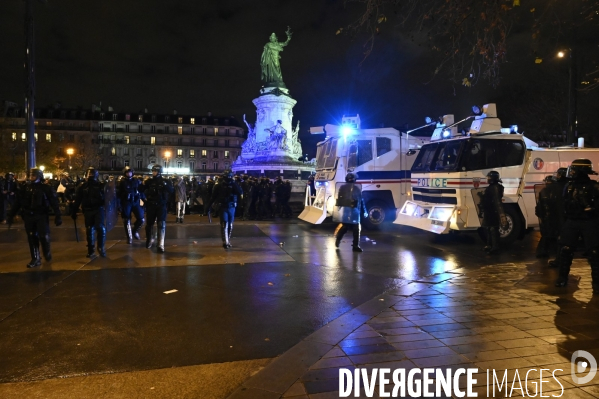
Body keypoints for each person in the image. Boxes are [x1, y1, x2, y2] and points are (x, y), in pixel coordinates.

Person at [553, 159, 599, 292]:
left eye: (574, 170)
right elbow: (563, 204)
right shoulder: (568, 186)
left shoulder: (594, 187)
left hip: (588, 221)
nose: (571, 172)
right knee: (565, 249)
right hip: (572, 221)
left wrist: (593, 210)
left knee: (595, 252)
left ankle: (596, 283)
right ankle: (562, 278)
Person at [7, 167, 62, 268]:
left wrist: (58, 215)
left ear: (39, 176)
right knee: (32, 237)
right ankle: (35, 258)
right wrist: (11, 214)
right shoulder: (24, 188)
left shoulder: (46, 188)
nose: (31, 177)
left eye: (34, 175)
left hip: (41, 215)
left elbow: (54, 202)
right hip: (28, 215)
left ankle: (46, 252)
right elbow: (18, 203)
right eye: (30, 175)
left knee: (43, 236)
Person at [71, 167, 107, 258]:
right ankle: (91, 249)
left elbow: (108, 198)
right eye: (89, 174)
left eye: (92, 173)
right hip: (88, 209)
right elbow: (78, 199)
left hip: (98, 208)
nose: (90, 175)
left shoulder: (101, 185)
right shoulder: (82, 186)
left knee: (101, 227)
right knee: (89, 229)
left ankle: (101, 247)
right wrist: (74, 211)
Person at [142, 164, 174, 253]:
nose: (153, 172)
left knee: (161, 224)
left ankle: (160, 244)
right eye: (153, 171)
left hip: (161, 205)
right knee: (149, 225)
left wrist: (164, 184)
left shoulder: (166, 181)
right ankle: (149, 240)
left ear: (159, 172)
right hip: (151, 204)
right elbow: (140, 190)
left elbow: (171, 191)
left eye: (155, 171)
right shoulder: (149, 181)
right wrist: (144, 199)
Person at [208, 169, 242, 249]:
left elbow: (240, 192)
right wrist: (208, 206)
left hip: (232, 206)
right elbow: (213, 197)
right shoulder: (218, 185)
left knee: (230, 224)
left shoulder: (234, 184)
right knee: (224, 224)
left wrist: (234, 183)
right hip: (223, 206)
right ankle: (225, 242)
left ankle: (227, 240)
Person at [334, 172, 368, 252]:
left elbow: (361, 200)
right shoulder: (343, 188)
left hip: (355, 210)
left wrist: (364, 210)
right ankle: (338, 239)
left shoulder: (356, 188)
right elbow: (340, 199)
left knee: (356, 228)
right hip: (347, 209)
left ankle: (355, 245)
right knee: (345, 226)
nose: (351, 180)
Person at [480, 170, 507, 254]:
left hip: (493, 211)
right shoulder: (492, 187)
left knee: (493, 228)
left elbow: (497, 201)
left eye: (489, 177)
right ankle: (489, 245)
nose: (488, 179)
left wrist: (501, 214)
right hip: (489, 210)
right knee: (488, 228)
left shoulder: (495, 187)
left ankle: (495, 247)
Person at [117, 166, 144, 244]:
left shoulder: (136, 181)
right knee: (126, 219)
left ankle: (135, 232)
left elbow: (141, 191)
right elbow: (117, 194)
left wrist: (143, 201)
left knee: (141, 219)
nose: (129, 174)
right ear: (125, 173)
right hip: (126, 202)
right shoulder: (121, 182)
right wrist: (119, 204)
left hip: (135, 201)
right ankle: (129, 237)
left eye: (130, 172)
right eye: (127, 172)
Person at [535, 175, 560, 258]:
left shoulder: (544, 191)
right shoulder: (557, 190)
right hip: (554, 218)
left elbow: (539, 207)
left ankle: (544, 252)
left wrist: (541, 215)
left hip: (547, 218)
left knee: (546, 236)